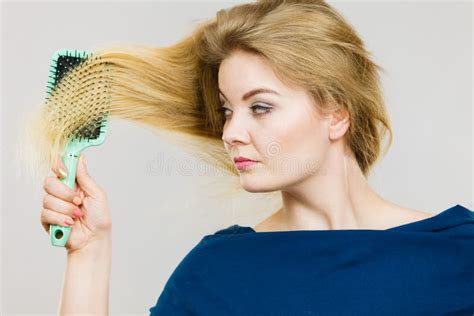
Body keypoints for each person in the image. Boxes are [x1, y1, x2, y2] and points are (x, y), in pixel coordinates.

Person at [38, 0, 474, 314]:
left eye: (260, 107)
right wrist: (89, 253)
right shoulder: (217, 273)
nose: (231, 132)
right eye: (228, 110)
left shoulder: (460, 252)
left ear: (337, 115)